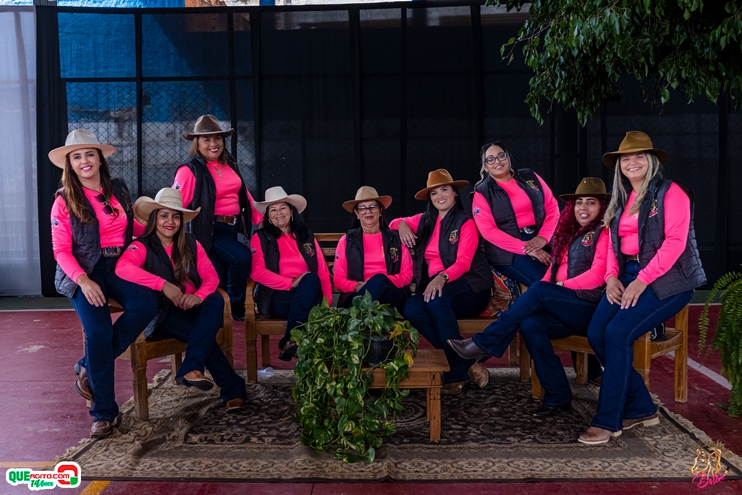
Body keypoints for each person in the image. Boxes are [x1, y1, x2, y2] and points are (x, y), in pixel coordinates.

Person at [578, 131, 706, 445]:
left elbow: (675, 243)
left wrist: (641, 280)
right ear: (619, 164)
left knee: (617, 333)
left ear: (649, 161)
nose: (631, 162)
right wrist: (611, 278)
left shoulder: (670, 192)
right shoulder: (623, 198)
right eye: (625, 158)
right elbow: (614, 245)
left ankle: (608, 420)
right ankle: (642, 407)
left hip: (669, 280)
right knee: (596, 333)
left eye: (638, 156)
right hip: (627, 274)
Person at [448, 178, 611, 415]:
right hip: (567, 307)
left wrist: (559, 287)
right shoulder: (567, 235)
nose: (583, 208)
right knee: (530, 324)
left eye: (591, 203)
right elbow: (550, 275)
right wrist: (552, 286)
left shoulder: (604, 232)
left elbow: (597, 275)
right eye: (579, 203)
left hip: (589, 307)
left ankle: (484, 342)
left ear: (602, 207)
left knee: (541, 290)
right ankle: (558, 396)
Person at [49, 129, 157, 438]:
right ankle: (104, 413)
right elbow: (61, 251)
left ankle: (87, 366)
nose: (85, 161)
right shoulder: (64, 201)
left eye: (89, 154)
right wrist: (83, 281)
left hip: (120, 265)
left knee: (146, 303)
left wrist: (160, 224)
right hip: (85, 271)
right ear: (70, 163)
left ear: (99, 158)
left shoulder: (118, 189)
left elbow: (130, 228)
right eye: (77, 156)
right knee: (98, 332)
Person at [115, 188, 247, 414]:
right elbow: (122, 268)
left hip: (191, 307)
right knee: (204, 337)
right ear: (154, 218)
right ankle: (231, 389)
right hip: (163, 313)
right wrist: (163, 285)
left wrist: (197, 296)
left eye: (176, 216)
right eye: (164, 215)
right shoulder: (142, 245)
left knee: (214, 300)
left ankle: (192, 367)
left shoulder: (191, 244)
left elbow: (211, 277)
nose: (170, 221)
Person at [394, 169, 494, 395]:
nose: (439, 196)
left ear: (455, 193)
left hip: (471, 286)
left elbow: (465, 262)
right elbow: (394, 222)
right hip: (438, 288)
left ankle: (456, 375)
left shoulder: (465, 222)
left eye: (444, 189)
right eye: (434, 193)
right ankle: (468, 363)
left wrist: (442, 277)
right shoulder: (424, 221)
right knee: (411, 307)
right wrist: (401, 225)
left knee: (436, 300)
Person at [172, 115, 262, 321]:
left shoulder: (229, 163)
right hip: (208, 230)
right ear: (197, 143)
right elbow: (175, 204)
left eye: (218, 138)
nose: (213, 144)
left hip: (231, 228)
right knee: (241, 257)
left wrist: (259, 218)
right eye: (207, 139)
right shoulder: (189, 170)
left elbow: (243, 192)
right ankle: (237, 305)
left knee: (218, 278)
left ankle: (222, 319)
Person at [250, 186, 332, 361]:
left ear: (291, 212)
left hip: (307, 295)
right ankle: (301, 350)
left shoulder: (305, 236)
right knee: (311, 297)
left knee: (312, 280)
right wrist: (291, 282)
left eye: (283, 208)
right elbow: (257, 272)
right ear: (268, 216)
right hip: (276, 298)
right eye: (273, 209)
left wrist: (327, 303)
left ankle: (291, 340)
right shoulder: (261, 237)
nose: (278, 213)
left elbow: (322, 271)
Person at [472, 142, 560, 286]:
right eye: (491, 159)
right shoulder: (482, 192)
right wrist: (526, 249)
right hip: (508, 249)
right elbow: (488, 231)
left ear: (508, 158)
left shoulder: (530, 176)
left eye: (501, 156)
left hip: (541, 235)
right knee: (544, 283)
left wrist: (543, 237)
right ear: (485, 167)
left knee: (566, 275)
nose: (497, 161)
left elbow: (552, 206)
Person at [333, 186, 413, 311]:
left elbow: (407, 275)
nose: (368, 211)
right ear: (357, 213)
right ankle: (357, 314)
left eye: (373, 206)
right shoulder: (347, 241)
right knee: (376, 282)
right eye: (362, 208)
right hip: (357, 294)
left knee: (379, 278)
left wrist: (377, 283)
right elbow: (338, 279)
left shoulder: (396, 239)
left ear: (381, 210)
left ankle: (349, 319)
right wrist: (357, 286)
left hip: (390, 296)